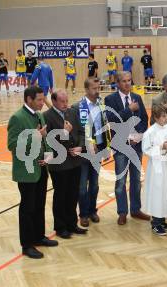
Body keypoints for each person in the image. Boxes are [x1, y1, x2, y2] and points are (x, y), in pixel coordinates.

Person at [7, 86, 58, 259]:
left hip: (41, 168)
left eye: (43, 99)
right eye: (39, 100)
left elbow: (45, 139)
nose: (43, 103)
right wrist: (35, 135)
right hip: (26, 171)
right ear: (29, 99)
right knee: (27, 208)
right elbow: (12, 144)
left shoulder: (40, 115)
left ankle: (38, 236)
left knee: (39, 205)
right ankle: (27, 245)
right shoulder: (17, 117)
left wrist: (49, 153)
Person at [104, 71, 150, 225]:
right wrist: (129, 109)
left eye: (129, 80)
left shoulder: (137, 97)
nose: (127, 83)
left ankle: (135, 210)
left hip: (136, 146)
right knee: (121, 181)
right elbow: (112, 120)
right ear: (117, 83)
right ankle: (122, 212)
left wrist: (139, 134)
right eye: (124, 81)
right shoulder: (110, 99)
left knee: (136, 180)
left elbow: (144, 118)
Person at [43, 89, 88, 239]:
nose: (65, 104)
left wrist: (80, 147)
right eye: (62, 101)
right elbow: (48, 142)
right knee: (61, 196)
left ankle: (72, 224)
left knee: (73, 194)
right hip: (59, 165)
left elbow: (82, 132)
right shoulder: (46, 117)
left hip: (75, 161)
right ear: (54, 101)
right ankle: (60, 227)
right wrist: (64, 133)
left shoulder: (72, 112)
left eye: (66, 101)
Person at [72, 77, 110, 227]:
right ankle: (83, 214)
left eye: (98, 87)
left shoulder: (101, 105)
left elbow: (104, 126)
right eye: (94, 88)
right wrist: (86, 144)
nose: (97, 91)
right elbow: (75, 132)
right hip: (84, 152)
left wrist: (106, 146)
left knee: (94, 184)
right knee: (82, 186)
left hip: (99, 149)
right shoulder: (77, 107)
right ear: (87, 89)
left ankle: (92, 210)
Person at [142, 104, 167, 236]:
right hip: (156, 168)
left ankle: (162, 219)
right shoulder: (150, 132)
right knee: (157, 194)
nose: (166, 118)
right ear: (156, 118)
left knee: (165, 193)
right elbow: (146, 149)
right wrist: (160, 147)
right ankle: (155, 222)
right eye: (163, 116)